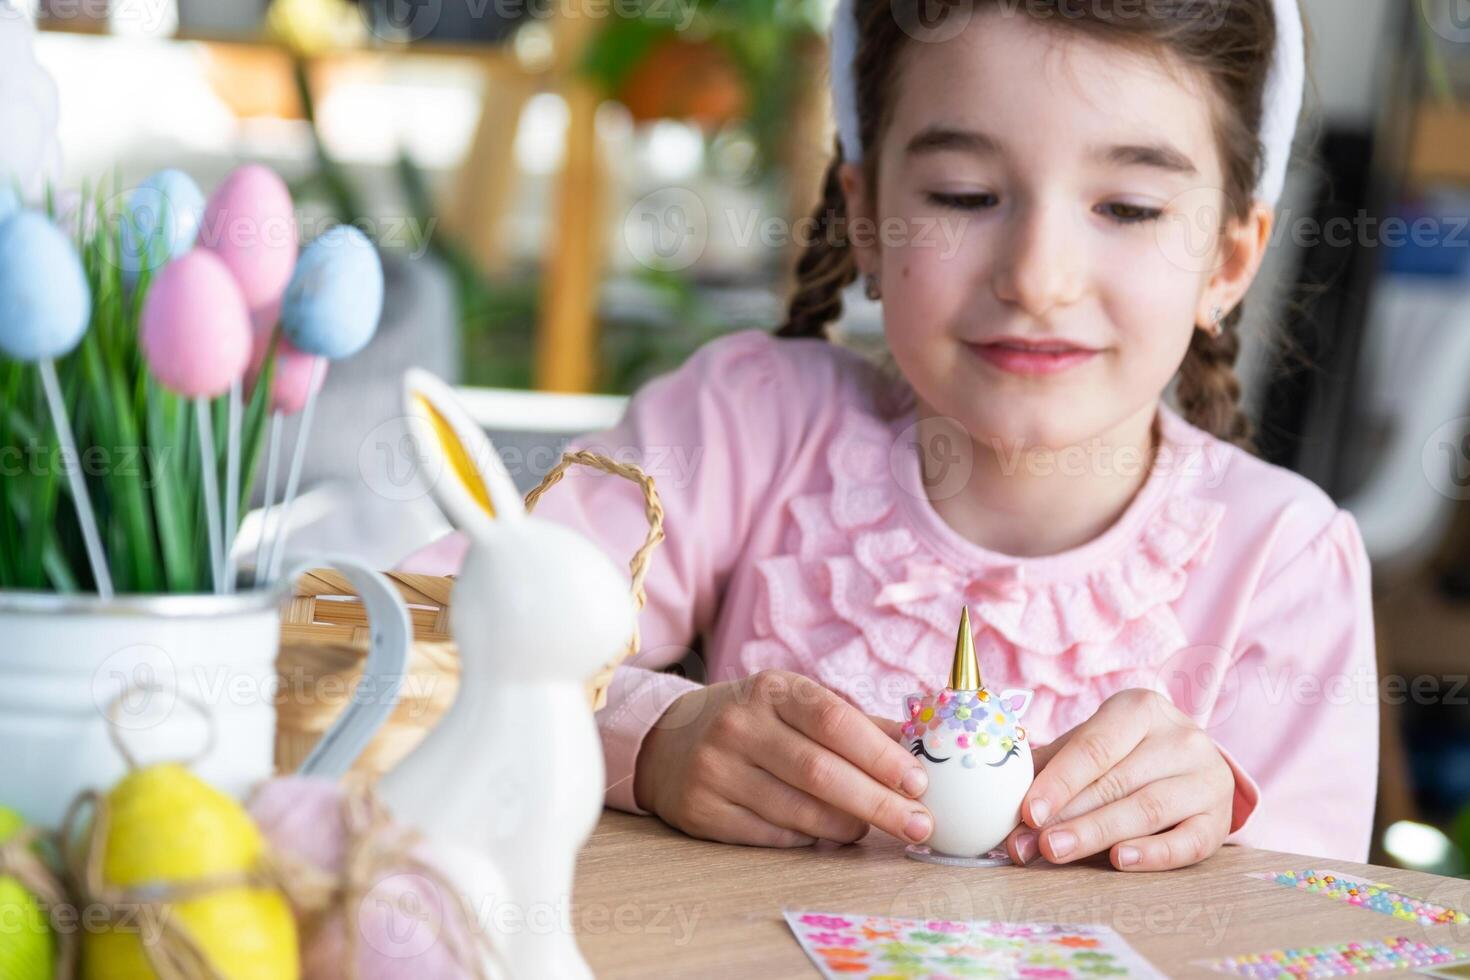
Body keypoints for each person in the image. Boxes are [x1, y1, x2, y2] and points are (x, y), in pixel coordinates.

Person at [404, 0, 1378, 870]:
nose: (1039, 276)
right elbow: (407, 637)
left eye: (1127, 206)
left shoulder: (1285, 561)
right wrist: (649, 737)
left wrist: (1221, 823)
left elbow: (1318, 923)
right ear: (867, 217)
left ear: (1228, 256)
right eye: (963, 193)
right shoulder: (748, 425)